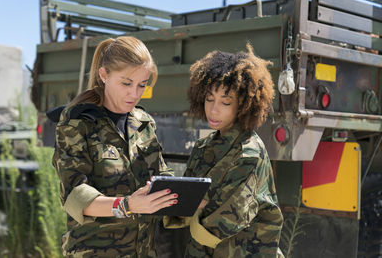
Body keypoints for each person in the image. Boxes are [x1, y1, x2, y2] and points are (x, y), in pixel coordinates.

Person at [51, 36, 178, 257]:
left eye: (142, 85)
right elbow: (75, 195)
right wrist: (128, 205)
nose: (134, 93)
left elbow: (159, 174)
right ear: (103, 75)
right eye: (126, 83)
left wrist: (182, 194)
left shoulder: (143, 122)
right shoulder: (78, 123)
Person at [165, 43, 284, 257]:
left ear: (245, 105)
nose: (213, 109)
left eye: (225, 102)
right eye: (209, 99)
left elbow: (225, 220)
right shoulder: (204, 146)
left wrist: (193, 205)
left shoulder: (249, 153)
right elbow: (182, 204)